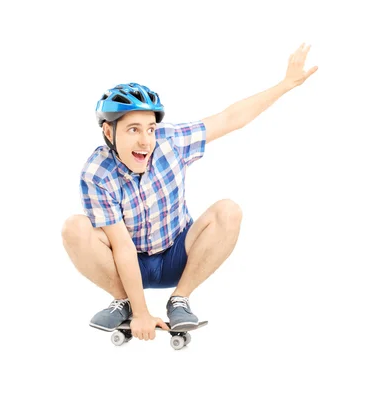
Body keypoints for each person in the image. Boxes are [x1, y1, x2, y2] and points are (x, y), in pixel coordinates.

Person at [61, 43, 318, 341]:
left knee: (228, 210)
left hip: (176, 256)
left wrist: (285, 84)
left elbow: (229, 118)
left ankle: (180, 299)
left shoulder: (171, 142)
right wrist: (142, 313)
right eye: (133, 130)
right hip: (124, 262)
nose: (145, 140)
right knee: (75, 228)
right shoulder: (97, 172)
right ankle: (124, 302)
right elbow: (121, 246)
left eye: (150, 128)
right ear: (109, 132)